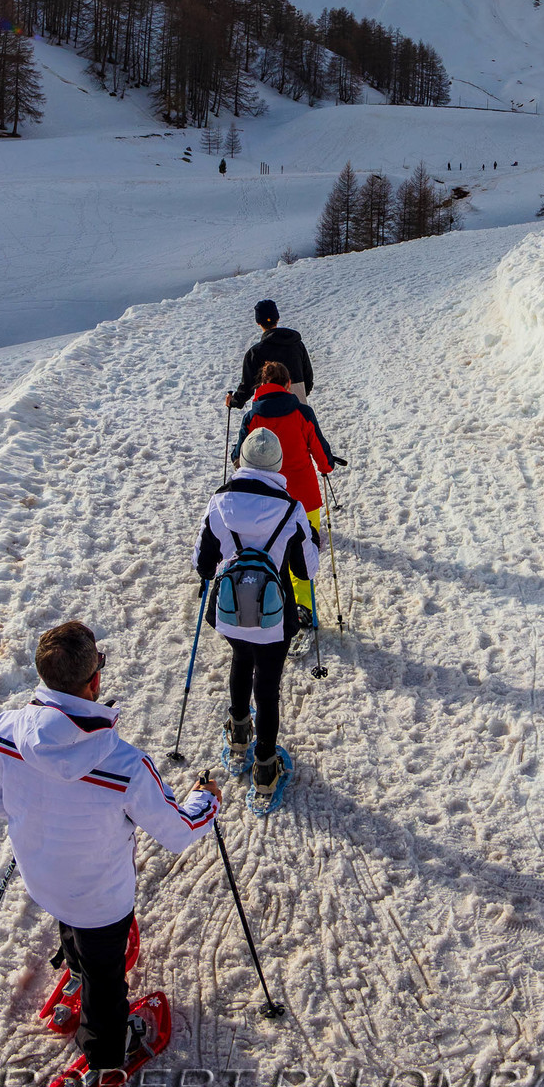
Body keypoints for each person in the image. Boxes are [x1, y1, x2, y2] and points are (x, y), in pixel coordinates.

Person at [0, 619, 219, 1087]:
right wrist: (204, 800)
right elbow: (176, 832)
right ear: (94, 682)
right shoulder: (123, 763)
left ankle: (78, 970)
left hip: (41, 877)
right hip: (102, 898)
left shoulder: (2, 733)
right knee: (109, 976)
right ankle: (108, 1048)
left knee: (75, 929)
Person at [195, 426, 320, 805]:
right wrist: (314, 541)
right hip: (274, 618)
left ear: (243, 462)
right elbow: (306, 572)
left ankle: (237, 733)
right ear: (278, 465)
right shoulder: (291, 509)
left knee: (240, 660)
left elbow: (202, 564)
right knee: (267, 686)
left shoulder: (219, 501)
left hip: (230, 613)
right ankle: (265, 769)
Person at [238, 361, 335, 627]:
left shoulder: (251, 417)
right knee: (304, 554)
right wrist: (326, 466)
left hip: (264, 497)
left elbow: (238, 457)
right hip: (304, 497)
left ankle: (268, 601)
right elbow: (320, 451)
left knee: (268, 549)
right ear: (288, 384)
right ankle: (302, 607)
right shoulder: (302, 412)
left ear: (261, 386)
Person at [226, 298, 313, 408]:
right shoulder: (297, 345)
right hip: (299, 409)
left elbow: (248, 387)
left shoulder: (255, 352)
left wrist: (234, 401)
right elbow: (308, 378)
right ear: (277, 318)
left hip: (270, 412)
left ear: (258, 322)